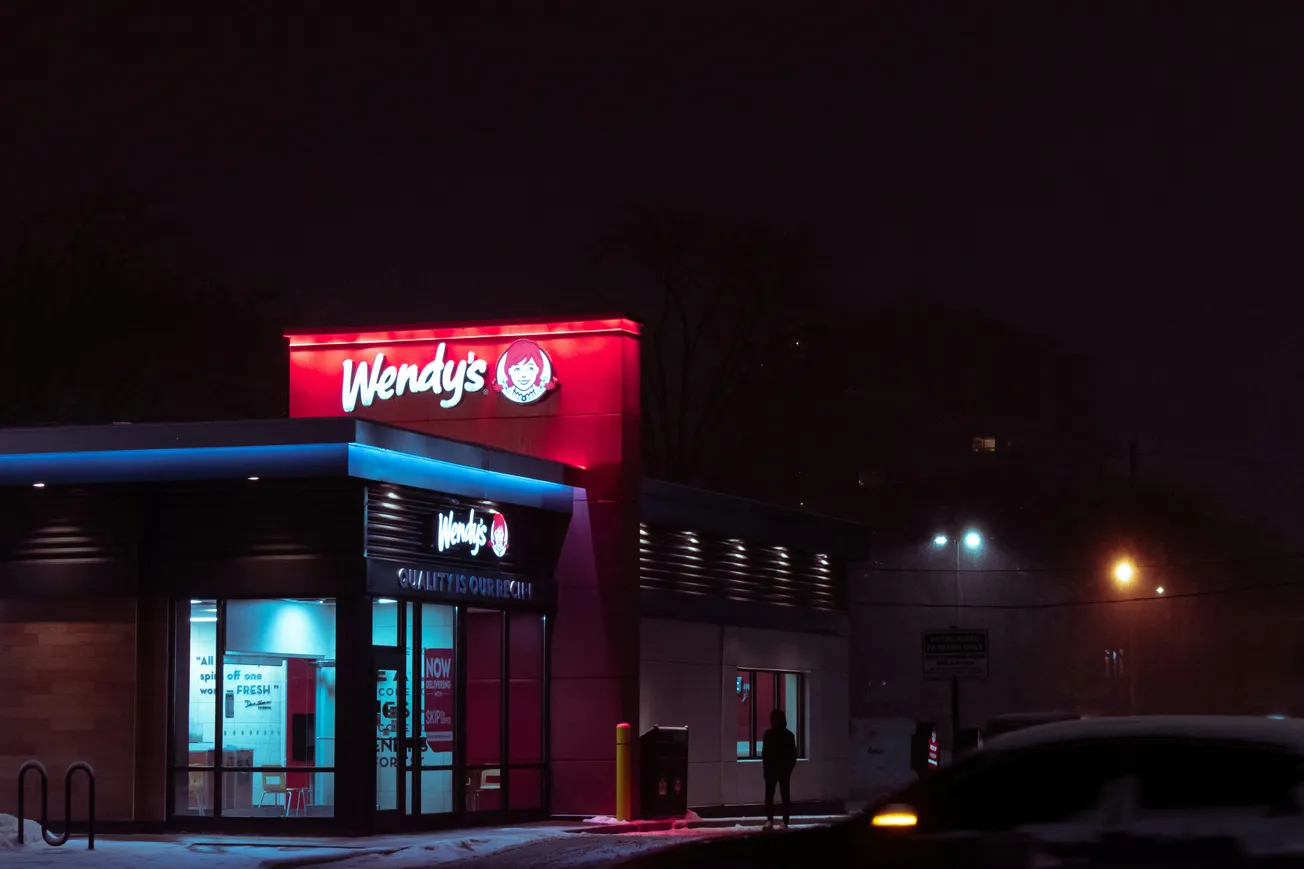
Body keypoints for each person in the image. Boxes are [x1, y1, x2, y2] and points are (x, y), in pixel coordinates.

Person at [761, 708, 797, 830]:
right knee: (782, 795)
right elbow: (792, 756)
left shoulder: (770, 735)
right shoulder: (788, 735)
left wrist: (767, 769)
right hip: (779, 770)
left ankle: (773, 820)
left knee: (773, 795)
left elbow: (765, 754)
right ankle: (782, 821)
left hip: (777, 770)